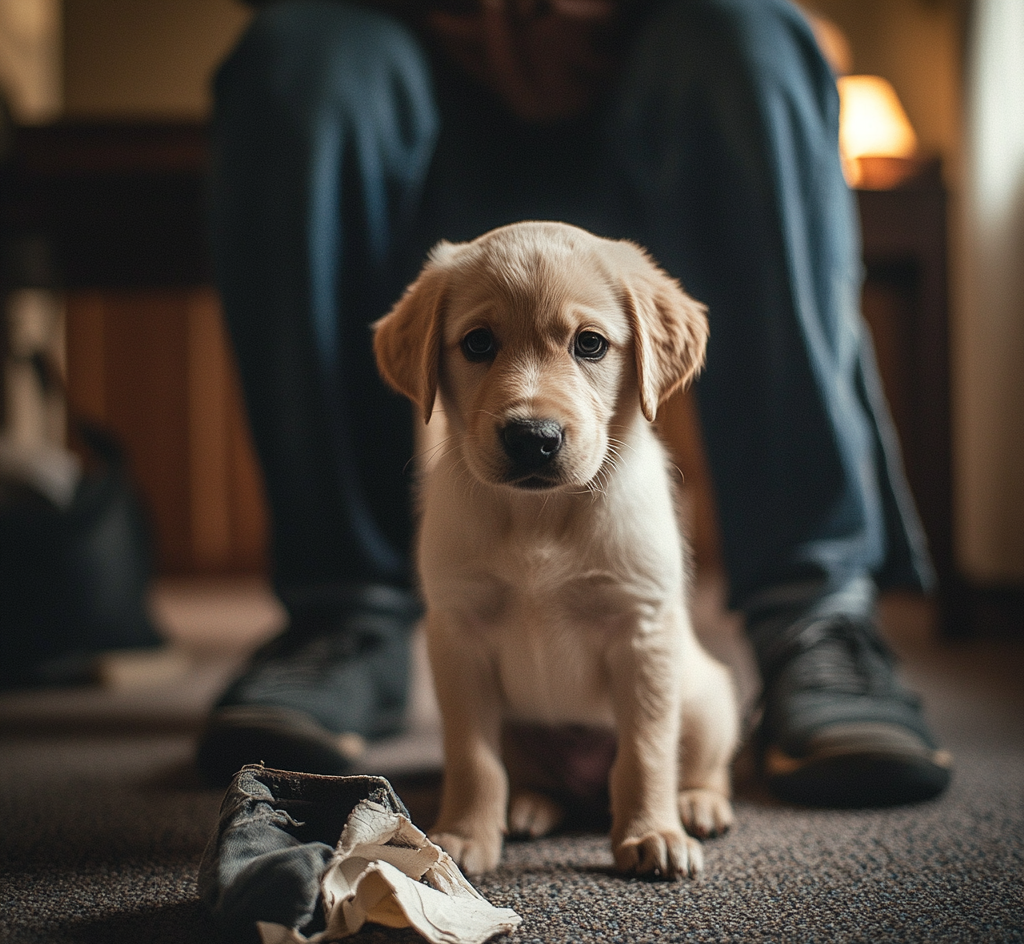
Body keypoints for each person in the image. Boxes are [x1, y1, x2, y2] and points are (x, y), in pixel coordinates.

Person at [196, 0, 952, 809]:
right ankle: (340, 616)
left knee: (753, 38)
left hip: (652, 62)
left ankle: (815, 614)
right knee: (298, 53)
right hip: (412, 64)